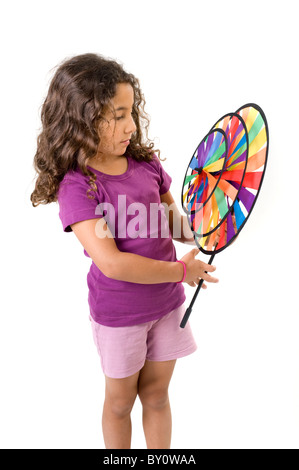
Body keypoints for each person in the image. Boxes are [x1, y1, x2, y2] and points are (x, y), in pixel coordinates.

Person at [30, 53, 219, 449]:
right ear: (80, 121)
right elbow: (112, 263)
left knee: (156, 396)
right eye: (116, 115)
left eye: (131, 111)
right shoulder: (78, 187)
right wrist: (181, 273)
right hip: (120, 316)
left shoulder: (146, 163)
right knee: (119, 405)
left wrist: (207, 228)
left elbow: (174, 223)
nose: (131, 125)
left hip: (167, 306)